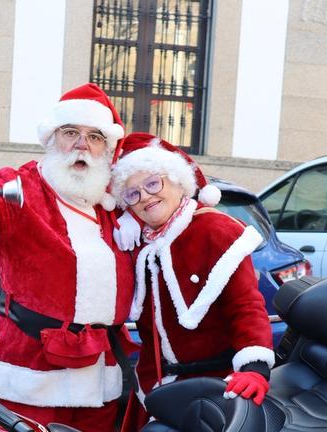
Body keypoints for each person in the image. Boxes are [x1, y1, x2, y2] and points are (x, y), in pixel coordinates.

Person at [0, 84, 138, 432]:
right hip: (29, 374)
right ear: (51, 139)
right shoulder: (20, 187)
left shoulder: (113, 203)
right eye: (70, 133)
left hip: (99, 378)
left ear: (107, 149)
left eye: (94, 137)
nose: (82, 145)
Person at [109, 133, 274, 417]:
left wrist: (254, 367)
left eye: (152, 183)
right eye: (133, 194)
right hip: (152, 390)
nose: (145, 196)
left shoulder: (216, 230)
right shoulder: (140, 243)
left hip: (213, 391)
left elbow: (246, 306)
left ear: (178, 181)